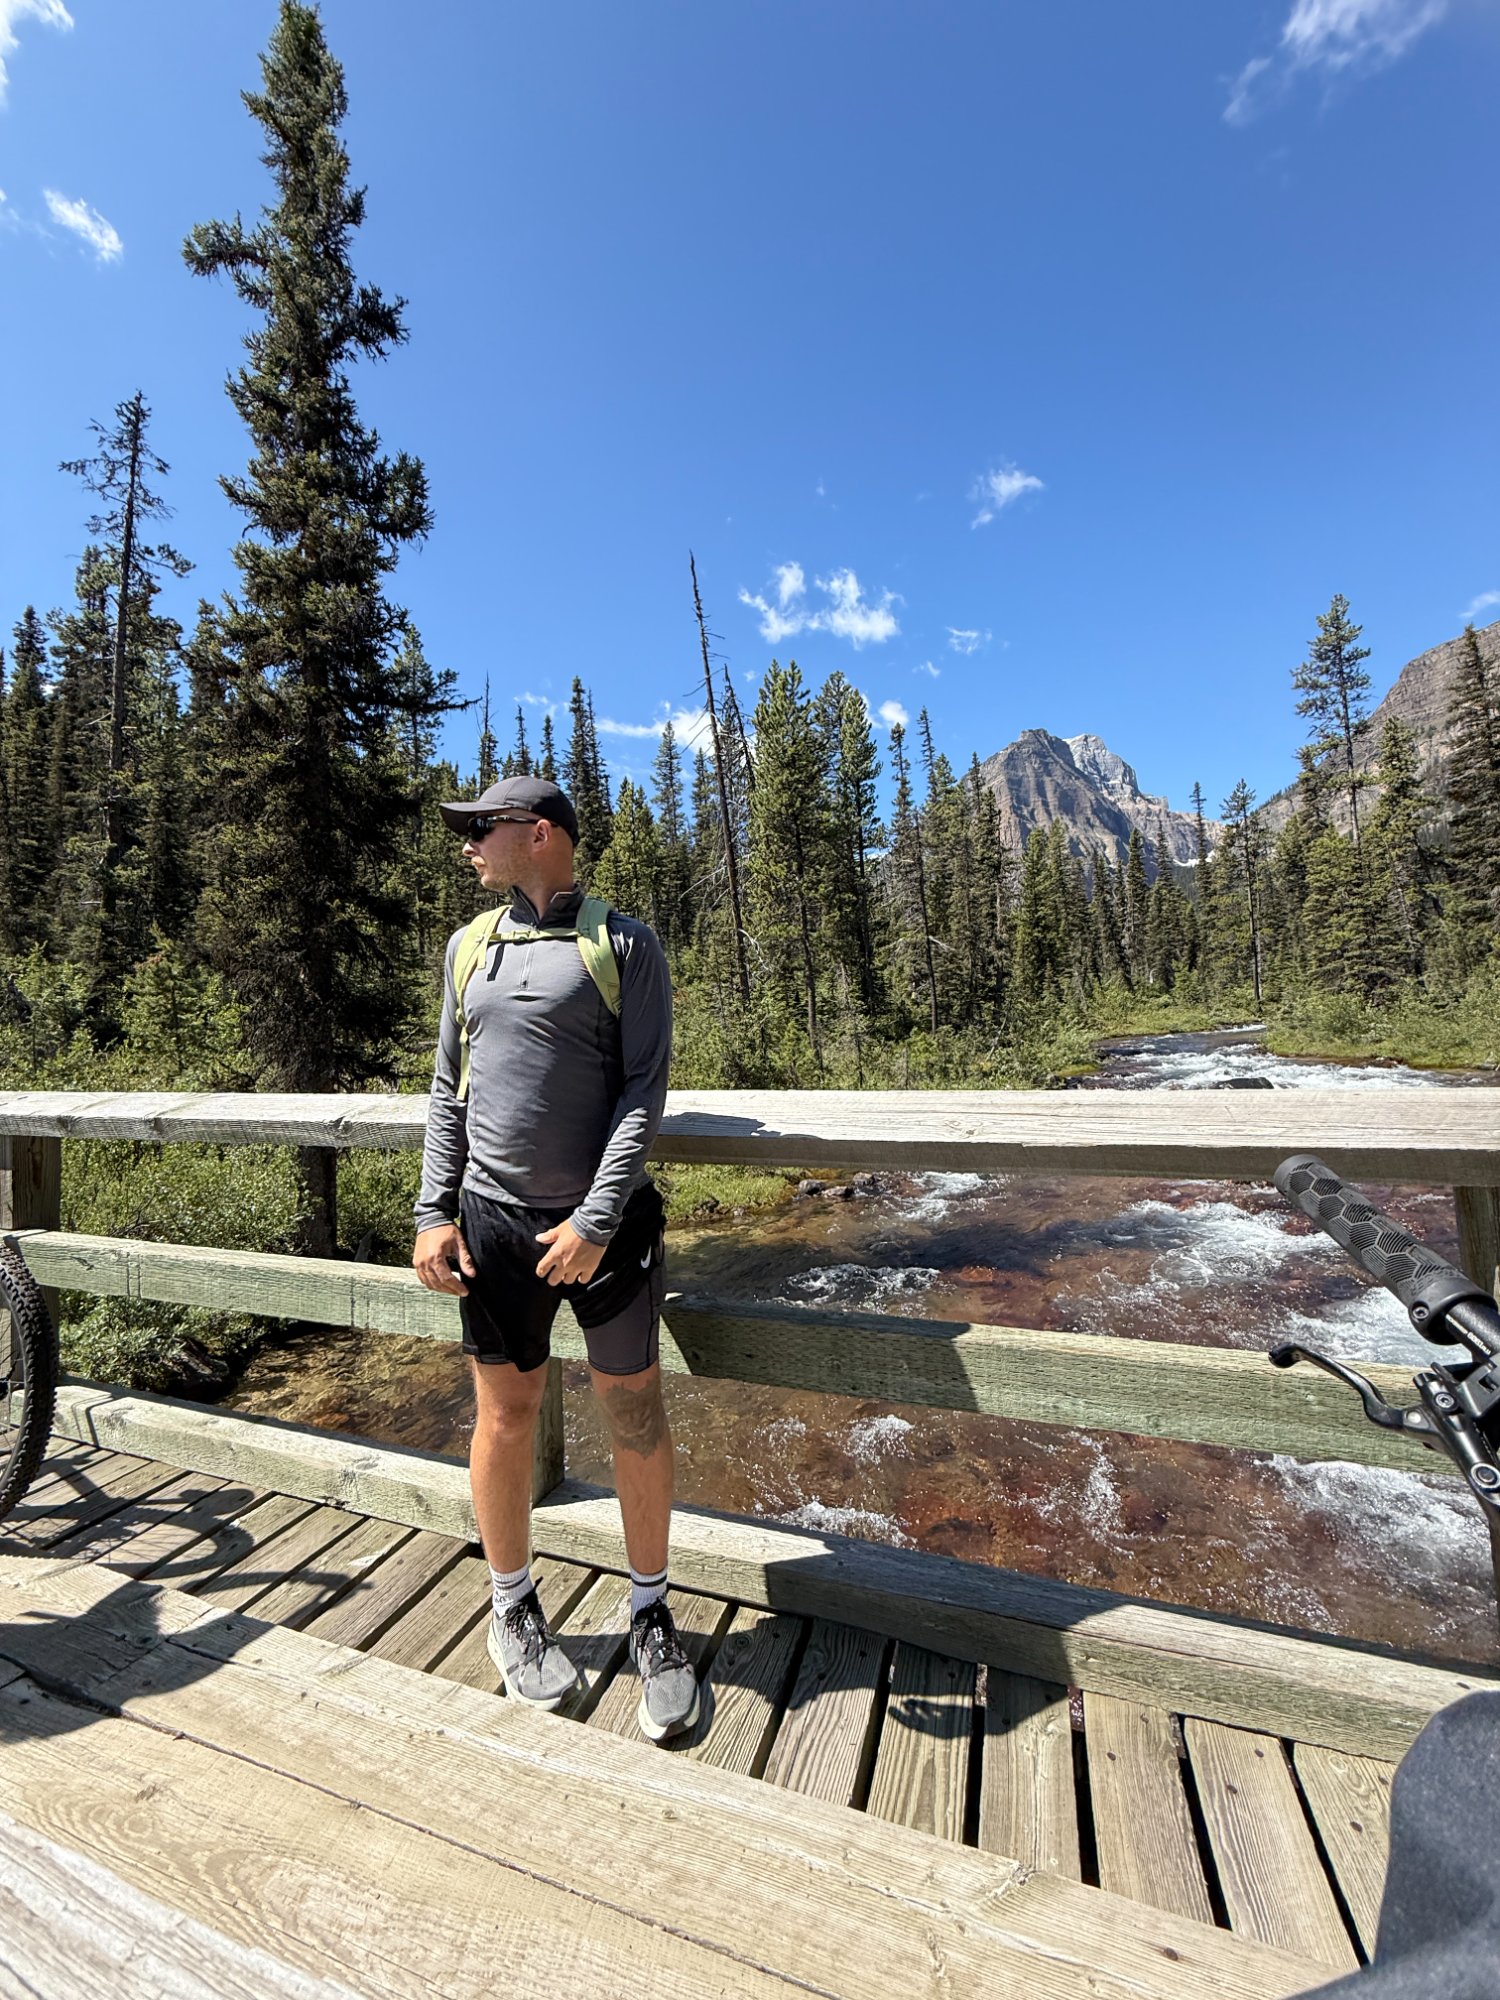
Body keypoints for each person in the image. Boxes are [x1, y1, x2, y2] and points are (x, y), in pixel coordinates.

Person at [412, 774, 697, 1742]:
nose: (467, 847)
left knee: (635, 1410)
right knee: (506, 1414)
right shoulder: (467, 951)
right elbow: (448, 1093)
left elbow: (642, 1096)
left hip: (604, 1235)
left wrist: (596, 1219)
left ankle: (650, 1611)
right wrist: (429, 1214)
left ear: (539, 835)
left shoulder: (625, 945)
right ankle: (510, 1604)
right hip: (490, 1226)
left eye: (479, 831)